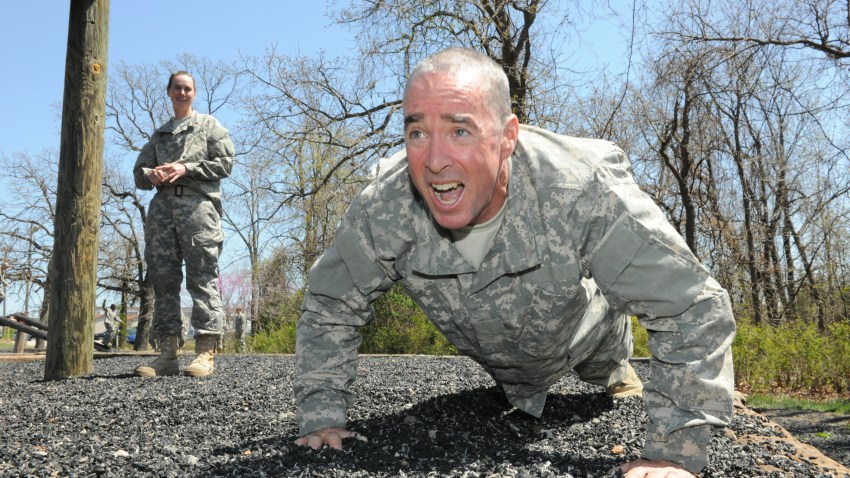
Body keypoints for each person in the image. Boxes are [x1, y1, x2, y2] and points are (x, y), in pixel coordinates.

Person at [292, 48, 735, 477]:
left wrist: (673, 454)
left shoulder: (578, 188)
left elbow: (691, 304)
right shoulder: (383, 209)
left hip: (586, 335)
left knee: (606, 368)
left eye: (459, 130)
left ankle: (614, 369)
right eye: (417, 133)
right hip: (499, 365)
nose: (434, 160)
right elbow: (330, 304)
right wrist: (322, 416)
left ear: (506, 137)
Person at [133, 70, 234, 378]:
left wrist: (185, 167)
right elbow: (139, 173)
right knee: (164, 282)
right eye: (177, 87)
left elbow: (226, 162)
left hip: (198, 208)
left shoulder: (209, 126)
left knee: (201, 278)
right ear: (169, 92)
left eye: (187, 88)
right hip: (162, 212)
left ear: (194, 93)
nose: (182, 92)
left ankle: (205, 352)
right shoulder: (160, 134)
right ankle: (167, 353)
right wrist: (151, 174)